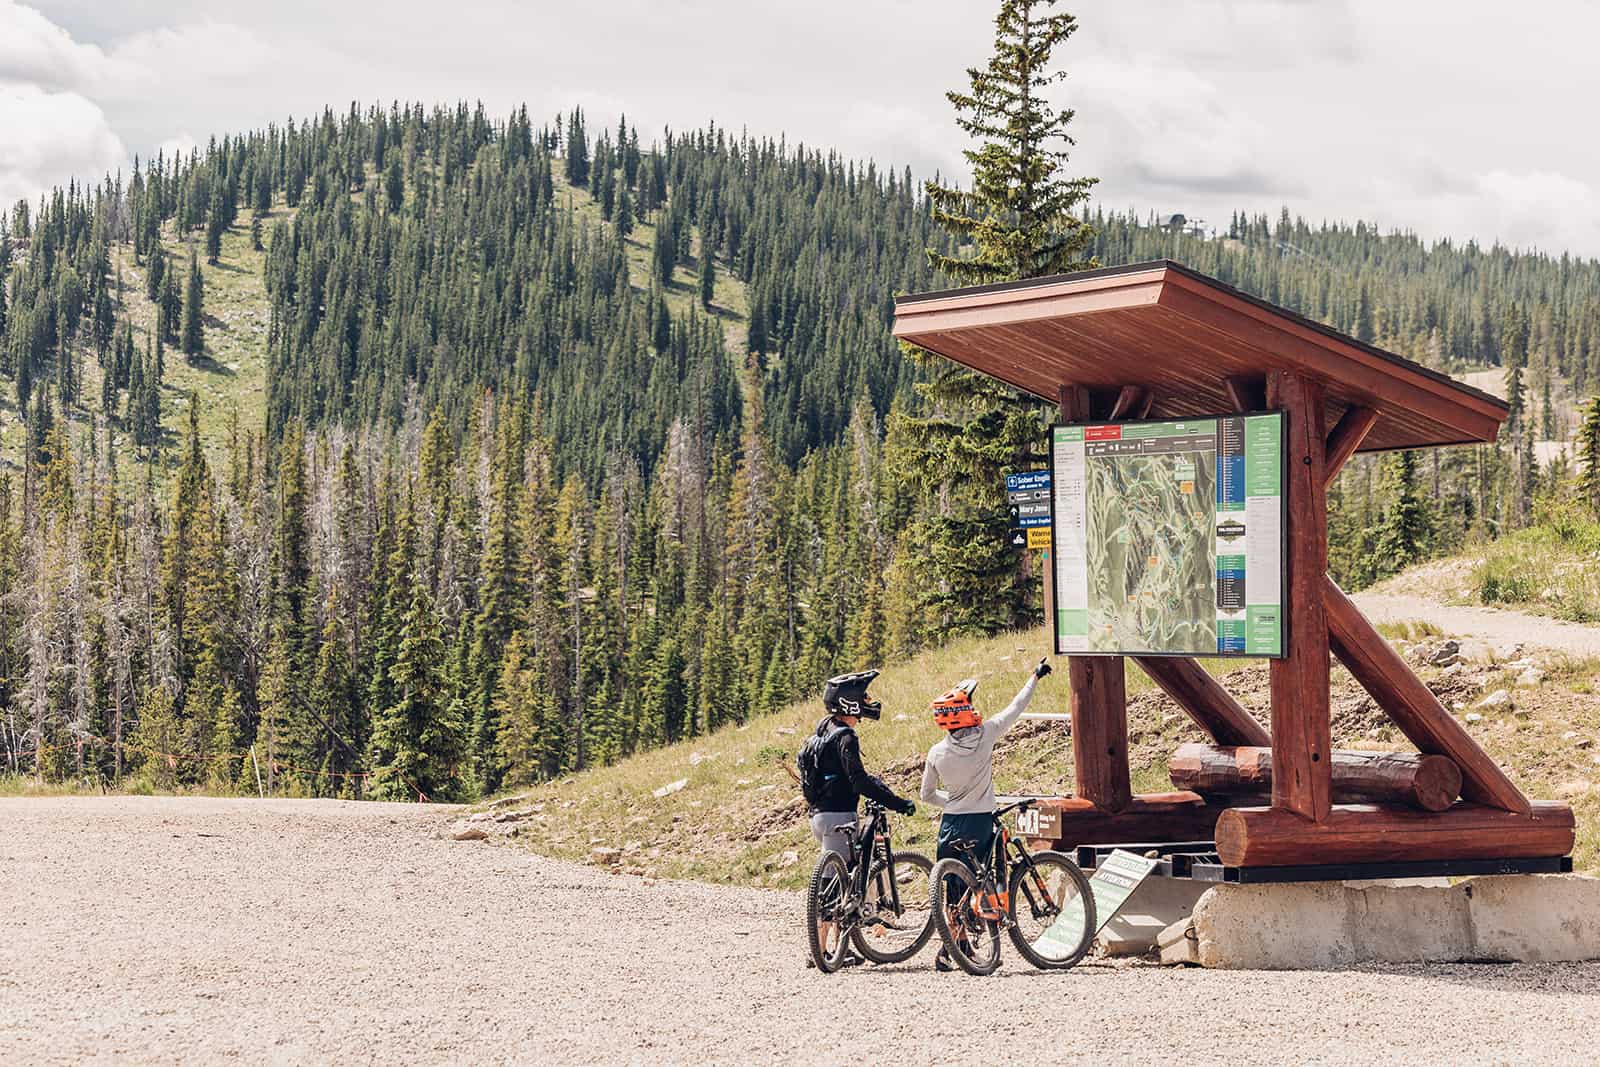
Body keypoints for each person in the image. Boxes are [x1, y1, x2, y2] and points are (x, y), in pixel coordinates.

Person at [919, 657, 1053, 970]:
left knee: (954, 887)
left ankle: (952, 946)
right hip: (980, 820)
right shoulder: (985, 737)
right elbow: (1015, 708)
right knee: (981, 878)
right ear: (964, 714)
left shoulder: (936, 753)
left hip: (950, 823)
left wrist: (952, 802)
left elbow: (926, 795)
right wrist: (1034, 676)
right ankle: (979, 931)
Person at [805, 669, 917, 862]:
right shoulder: (846, 737)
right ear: (850, 702)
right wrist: (897, 803)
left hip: (818, 816)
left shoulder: (821, 734)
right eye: (864, 697)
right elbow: (859, 781)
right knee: (832, 883)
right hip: (839, 816)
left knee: (852, 873)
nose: (868, 701)